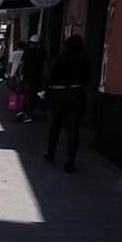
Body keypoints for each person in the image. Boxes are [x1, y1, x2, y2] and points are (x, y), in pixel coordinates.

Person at [45, 34, 90, 172]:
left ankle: (50, 154)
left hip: (59, 95)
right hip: (76, 95)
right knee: (73, 130)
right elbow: (88, 79)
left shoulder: (60, 58)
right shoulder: (84, 60)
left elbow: (51, 77)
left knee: (55, 126)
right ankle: (70, 161)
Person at [17, 34, 47, 122]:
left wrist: (20, 75)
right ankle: (27, 112)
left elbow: (22, 64)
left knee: (28, 95)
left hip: (28, 76)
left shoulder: (27, 52)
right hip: (38, 77)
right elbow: (45, 65)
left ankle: (29, 114)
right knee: (33, 94)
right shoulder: (42, 52)